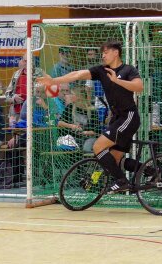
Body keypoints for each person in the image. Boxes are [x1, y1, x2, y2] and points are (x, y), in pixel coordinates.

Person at [37, 41, 144, 192]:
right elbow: (77, 74)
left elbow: (139, 86)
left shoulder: (128, 69)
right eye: (102, 53)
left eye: (106, 52)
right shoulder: (101, 70)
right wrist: (54, 81)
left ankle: (121, 181)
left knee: (98, 147)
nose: (103, 55)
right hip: (116, 119)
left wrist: (117, 80)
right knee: (114, 159)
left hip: (129, 117)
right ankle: (151, 172)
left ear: (116, 53)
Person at [57, 85, 101, 152]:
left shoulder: (92, 111)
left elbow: (97, 132)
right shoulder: (70, 107)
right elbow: (59, 123)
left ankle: (88, 161)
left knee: (86, 148)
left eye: (72, 94)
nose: (70, 95)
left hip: (87, 138)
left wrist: (84, 132)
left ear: (79, 96)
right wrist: (71, 126)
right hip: (73, 138)